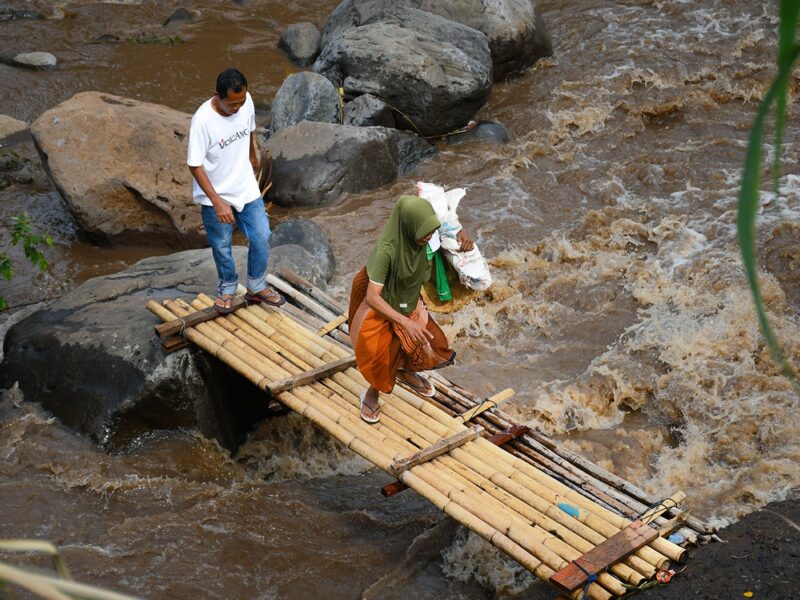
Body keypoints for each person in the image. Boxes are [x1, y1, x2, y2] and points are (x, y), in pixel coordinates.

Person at [348, 195, 463, 424]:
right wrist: (406, 322)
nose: (429, 234)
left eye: (431, 229)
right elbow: (372, 297)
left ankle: (404, 371)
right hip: (382, 306)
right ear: (409, 226)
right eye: (424, 230)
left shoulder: (422, 241)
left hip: (407, 301)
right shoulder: (386, 251)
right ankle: (371, 395)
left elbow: (449, 225)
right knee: (380, 359)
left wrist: (462, 236)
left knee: (436, 345)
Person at [188, 67, 284, 313]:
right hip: (216, 193)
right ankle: (228, 288)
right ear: (217, 95)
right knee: (221, 245)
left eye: (241, 102)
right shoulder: (202, 121)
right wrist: (217, 201)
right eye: (232, 104)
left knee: (261, 235)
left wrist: (253, 155)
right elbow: (195, 164)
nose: (237, 108)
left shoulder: (245, 100)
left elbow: (248, 127)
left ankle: (256, 286)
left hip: (244, 185)